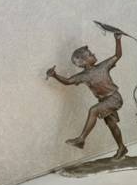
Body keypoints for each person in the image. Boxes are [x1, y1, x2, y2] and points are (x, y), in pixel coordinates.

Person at [46, 32, 128, 160]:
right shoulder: (83, 76)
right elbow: (68, 81)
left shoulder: (103, 66)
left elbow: (118, 55)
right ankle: (122, 148)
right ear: (83, 62)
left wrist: (118, 39)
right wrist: (55, 75)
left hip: (114, 98)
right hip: (105, 101)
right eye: (90, 54)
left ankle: (81, 139)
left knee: (93, 110)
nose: (93, 54)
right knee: (112, 125)